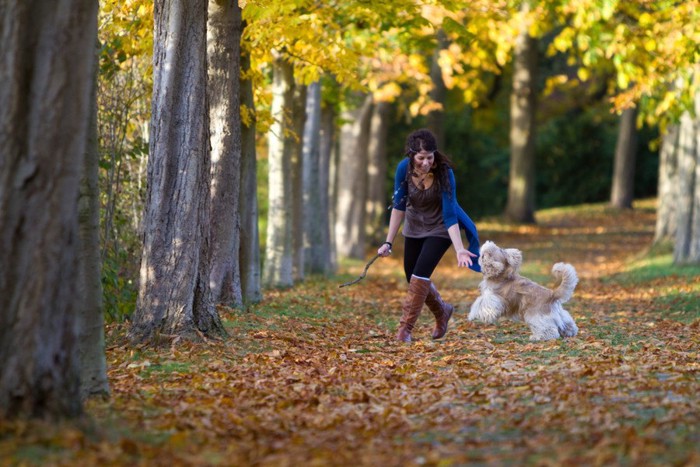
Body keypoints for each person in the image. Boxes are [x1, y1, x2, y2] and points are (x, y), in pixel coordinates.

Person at [378, 128, 481, 342]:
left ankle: (405, 329)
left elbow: (450, 213)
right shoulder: (403, 169)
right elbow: (398, 207)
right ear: (411, 155)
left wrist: (460, 248)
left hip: (440, 228)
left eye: (430, 157)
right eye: (421, 158)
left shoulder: (444, 172)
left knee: (420, 276)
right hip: (414, 226)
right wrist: (388, 241)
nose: (426, 162)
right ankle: (442, 311)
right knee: (411, 276)